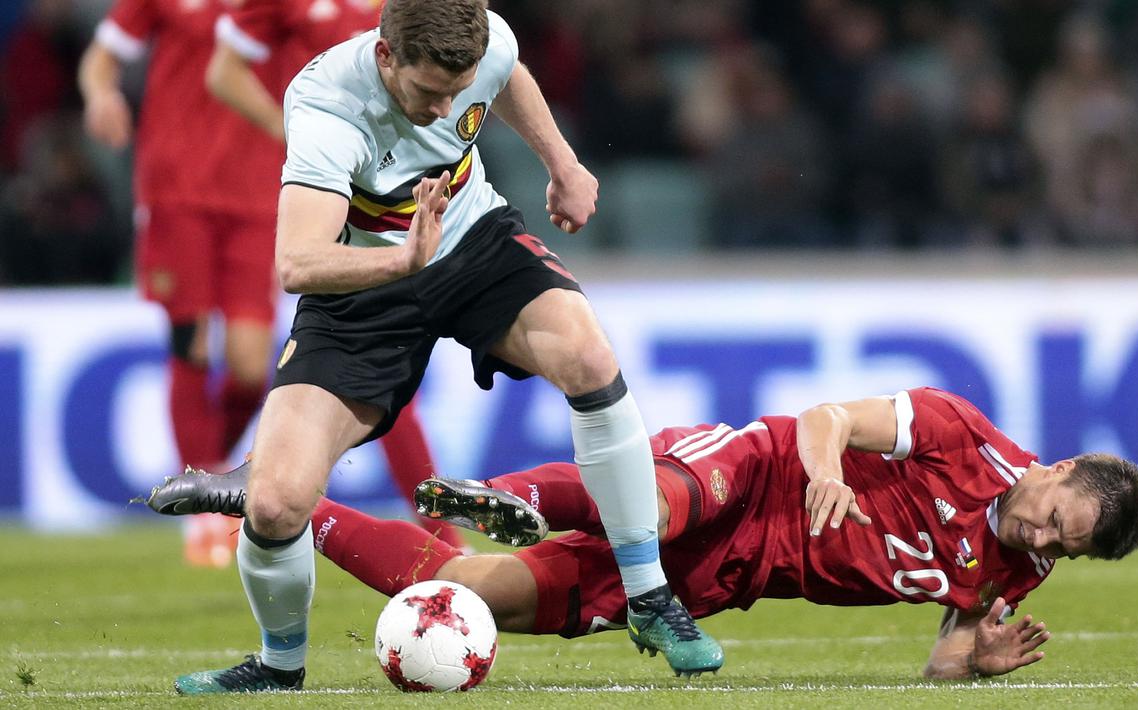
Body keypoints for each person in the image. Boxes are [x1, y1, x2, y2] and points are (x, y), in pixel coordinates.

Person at [154, 0, 720, 693]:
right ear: (387, 56)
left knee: (589, 359)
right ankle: (278, 667)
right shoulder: (328, 106)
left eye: (457, 92)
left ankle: (648, 597)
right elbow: (298, 262)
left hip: (472, 240)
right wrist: (401, 262)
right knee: (273, 505)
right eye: (428, 93)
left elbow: (508, 76)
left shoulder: (483, 47)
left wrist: (562, 164)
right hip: (359, 286)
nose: (444, 108)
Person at [150, 386, 1138, 681]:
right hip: (754, 464)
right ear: (1057, 467)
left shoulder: (1015, 570)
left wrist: (968, 662)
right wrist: (821, 476)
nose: (1044, 540)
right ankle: (537, 497)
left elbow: (937, 658)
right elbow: (824, 420)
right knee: (664, 501)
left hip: (729, 575)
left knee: (464, 591)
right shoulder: (959, 435)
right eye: (1055, 518)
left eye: (1065, 547)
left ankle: (267, 496)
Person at [202, 0, 464, 549]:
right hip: (318, 195)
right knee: (265, 367)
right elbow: (223, 71)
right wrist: (304, 138)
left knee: (380, 366)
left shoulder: (413, 12)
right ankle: (230, 482)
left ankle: (242, 491)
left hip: (389, 193)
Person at [78, 0, 282, 567]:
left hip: (255, 191)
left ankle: (212, 475)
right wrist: (101, 93)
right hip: (175, 190)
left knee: (248, 367)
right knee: (188, 346)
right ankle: (204, 518)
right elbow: (101, 57)